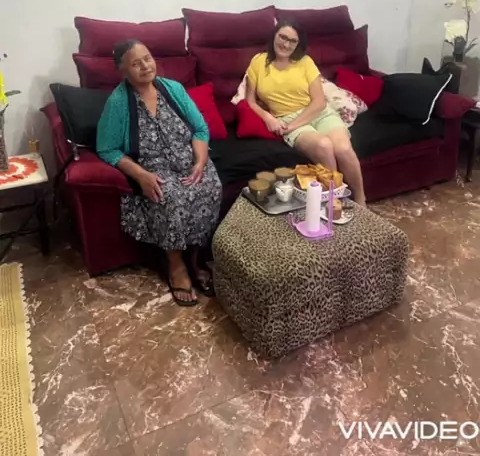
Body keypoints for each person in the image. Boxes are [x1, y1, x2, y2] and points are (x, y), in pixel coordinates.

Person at [96, 39, 223, 307]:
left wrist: (200, 161)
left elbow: (200, 129)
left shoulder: (173, 89)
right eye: (136, 63)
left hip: (188, 161)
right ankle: (176, 265)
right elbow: (107, 149)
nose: (145, 66)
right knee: (170, 197)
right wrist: (140, 175)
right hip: (153, 168)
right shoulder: (118, 102)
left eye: (148, 58)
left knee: (210, 186)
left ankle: (195, 258)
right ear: (123, 71)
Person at [246, 20, 367, 206]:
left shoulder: (305, 62)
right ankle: (335, 202)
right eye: (283, 37)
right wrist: (268, 117)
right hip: (286, 117)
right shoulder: (258, 62)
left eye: (292, 41)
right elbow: (250, 101)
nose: (286, 44)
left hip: (318, 113)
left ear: (298, 44)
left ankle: (360, 200)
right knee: (324, 146)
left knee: (343, 149)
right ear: (274, 36)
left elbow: (319, 102)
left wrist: (293, 126)